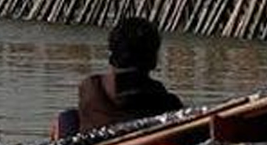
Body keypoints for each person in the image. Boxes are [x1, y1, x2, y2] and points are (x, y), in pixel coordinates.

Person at [53, 16, 184, 137]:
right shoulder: (165, 101)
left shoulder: (89, 88)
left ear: (112, 54)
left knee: (67, 117)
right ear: (153, 59)